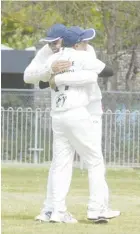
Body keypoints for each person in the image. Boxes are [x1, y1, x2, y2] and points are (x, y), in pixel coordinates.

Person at [24, 25, 120, 223]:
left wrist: (57, 78)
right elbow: (106, 72)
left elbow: (43, 82)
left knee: (61, 164)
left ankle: (58, 212)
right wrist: (73, 74)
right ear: (76, 44)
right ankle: (96, 210)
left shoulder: (53, 60)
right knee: (95, 160)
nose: (87, 44)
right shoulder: (83, 56)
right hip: (77, 113)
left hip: (58, 116)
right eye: (84, 41)